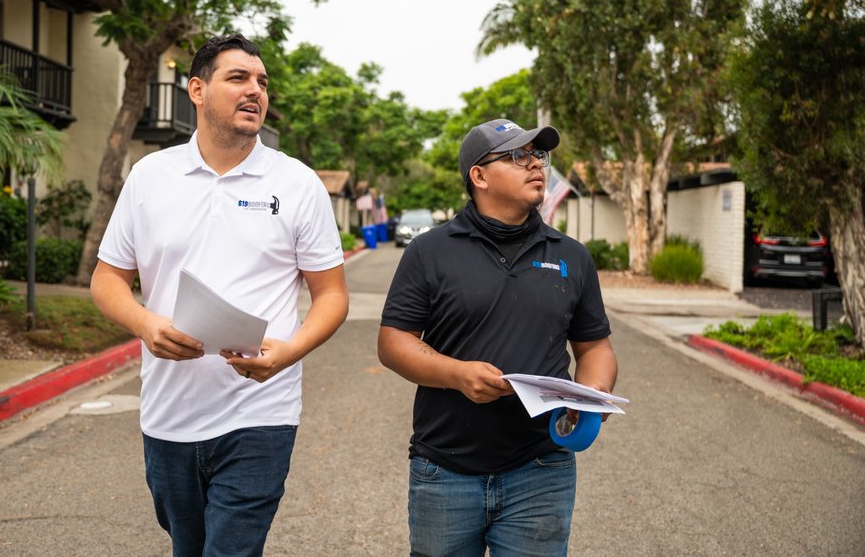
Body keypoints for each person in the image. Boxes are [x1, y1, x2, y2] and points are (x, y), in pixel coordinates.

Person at [91, 34, 349, 556]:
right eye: (238, 78)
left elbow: (332, 295)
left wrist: (289, 353)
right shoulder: (149, 177)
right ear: (197, 90)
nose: (255, 90)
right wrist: (146, 326)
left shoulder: (297, 184)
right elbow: (107, 280)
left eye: (262, 82)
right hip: (168, 414)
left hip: (261, 411)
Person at [378, 118, 618, 557]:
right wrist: (456, 374)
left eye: (538, 155)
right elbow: (394, 341)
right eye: (517, 155)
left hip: (542, 468)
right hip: (444, 468)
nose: (535, 165)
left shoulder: (571, 256)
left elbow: (594, 346)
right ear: (479, 175)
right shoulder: (429, 251)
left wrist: (594, 391)